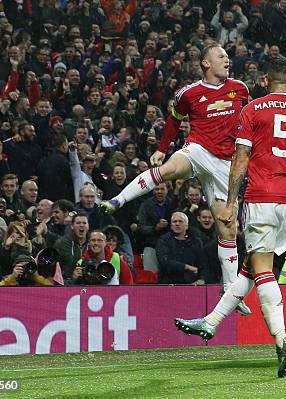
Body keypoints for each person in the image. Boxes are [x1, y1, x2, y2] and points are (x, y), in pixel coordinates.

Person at [175, 56, 286, 378]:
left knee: (262, 269)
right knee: (251, 266)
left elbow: (240, 159)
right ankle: (211, 322)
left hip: (262, 197)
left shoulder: (253, 109)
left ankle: (282, 340)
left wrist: (229, 203)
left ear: (266, 82)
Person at [101, 43, 251, 315]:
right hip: (199, 149)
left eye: (227, 57)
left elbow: (248, 121)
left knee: (228, 230)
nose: (227, 60)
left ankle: (230, 290)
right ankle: (118, 199)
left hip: (226, 165)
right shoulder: (189, 93)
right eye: (221, 56)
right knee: (169, 170)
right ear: (206, 63)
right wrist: (161, 148)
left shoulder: (240, 88)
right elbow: (174, 120)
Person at [69, 230, 134, 285]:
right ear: (89, 243)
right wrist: (74, 278)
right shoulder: (81, 262)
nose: (96, 243)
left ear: (105, 243)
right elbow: (76, 290)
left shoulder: (117, 259)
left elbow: (129, 283)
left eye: (100, 240)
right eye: (93, 240)